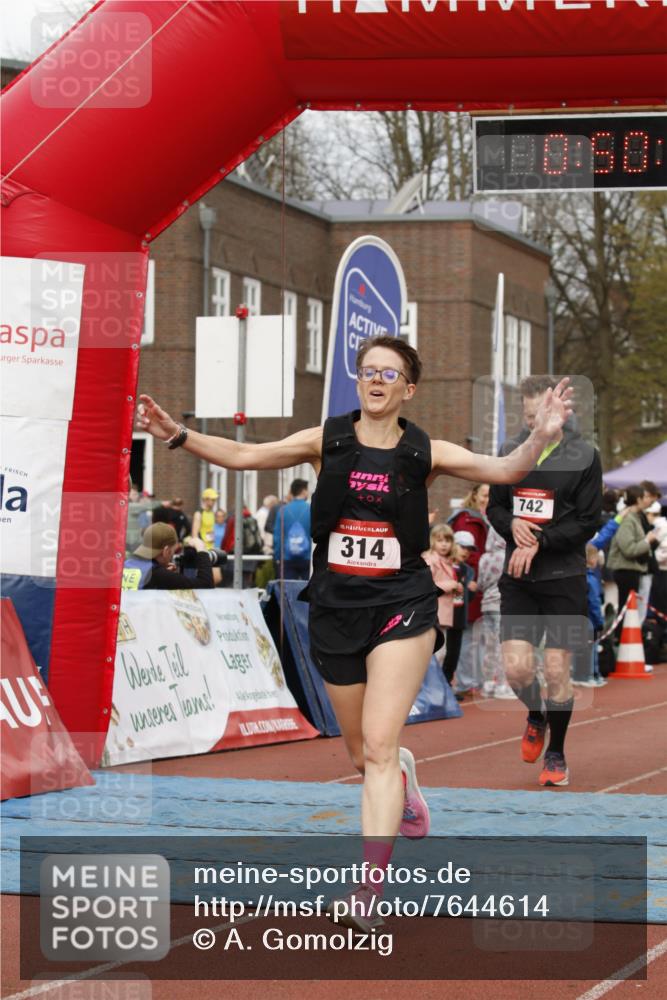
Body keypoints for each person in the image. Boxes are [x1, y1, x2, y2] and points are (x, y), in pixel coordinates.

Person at [136, 335, 572, 930]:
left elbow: (505, 470)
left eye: (389, 374)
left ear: (408, 389)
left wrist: (541, 436)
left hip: (402, 604)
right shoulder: (327, 439)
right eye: (368, 371)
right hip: (336, 606)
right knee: (362, 755)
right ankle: (402, 784)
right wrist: (177, 435)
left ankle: (368, 893)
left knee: (380, 744)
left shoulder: (426, 450)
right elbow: (245, 454)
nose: (376, 381)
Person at [486, 374, 602, 789]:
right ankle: (536, 714)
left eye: (541, 414)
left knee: (556, 669)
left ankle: (557, 752)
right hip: (520, 578)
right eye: (528, 415)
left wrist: (542, 541)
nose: (534, 422)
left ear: (561, 412)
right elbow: (495, 509)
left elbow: (588, 521)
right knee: (518, 671)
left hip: (563, 578)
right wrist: (512, 524)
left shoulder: (584, 456)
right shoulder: (510, 452)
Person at [607, 485, 658, 638]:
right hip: (626, 571)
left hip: (633, 570)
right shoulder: (628, 519)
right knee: (626, 609)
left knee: (629, 609)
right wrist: (647, 541)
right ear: (638, 499)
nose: (647, 501)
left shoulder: (635, 517)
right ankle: (621, 640)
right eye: (645, 497)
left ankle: (625, 640)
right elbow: (628, 549)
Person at [477, 526, 513, 699]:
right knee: (502, 646)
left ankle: (488, 683)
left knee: (489, 645)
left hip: (486, 604)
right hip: (501, 604)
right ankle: (501, 685)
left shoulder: (484, 558)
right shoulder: (507, 556)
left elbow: (480, 584)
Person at [122, 523, 215, 590]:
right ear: (166, 551)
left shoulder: (125, 565)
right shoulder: (158, 575)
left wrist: (164, 571)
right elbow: (205, 585)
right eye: (173, 551)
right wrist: (202, 550)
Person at [421, 523, 460, 669]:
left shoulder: (448, 562)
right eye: (440, 540)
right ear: (433, 541)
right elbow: (425, 585)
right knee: (435, 653)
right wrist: (451, 584)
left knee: (441, 653)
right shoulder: (430, 560)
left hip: (443, 615)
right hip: (433, 613)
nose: (444, 544)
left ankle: (434, 681)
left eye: (447, 540)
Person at [449, 531, 478, 700]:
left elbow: (466, 598)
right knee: (440, 655)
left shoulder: (468, 571)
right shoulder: (442, 564)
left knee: (453, 655)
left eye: (469, 549)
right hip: (442, 618)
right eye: (463, 547)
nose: (466, 552)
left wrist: (471, 590)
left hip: (459, 617)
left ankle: (446, 688)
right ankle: (431, 691)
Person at [273, 478, 311, 581]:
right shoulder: (311, 509)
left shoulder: (283, 510)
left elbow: (277, 537)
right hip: (307, 557)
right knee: (308, 587)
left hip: (287, 557)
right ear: (303, 491)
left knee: (288, 588)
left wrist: (277, 556)